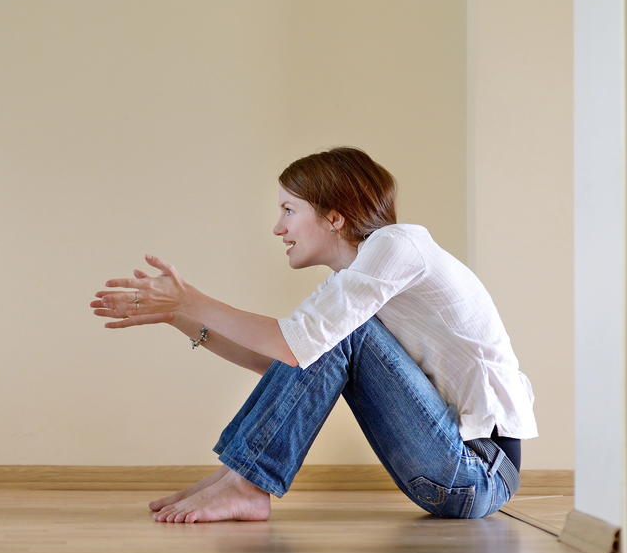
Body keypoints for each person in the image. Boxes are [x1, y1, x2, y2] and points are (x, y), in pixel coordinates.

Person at [92, 147, 536, 523]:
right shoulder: (354, 281)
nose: (278, 227)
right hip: (448, 472)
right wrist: (178, 316)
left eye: (289, 209)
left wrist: (191, 300)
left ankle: (246, 483)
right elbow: (288, 364)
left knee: (322, 338)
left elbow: (294, 346)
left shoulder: (398, 245)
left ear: (335, 217)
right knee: (313, 344)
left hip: (477, 470)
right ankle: (236, 476)